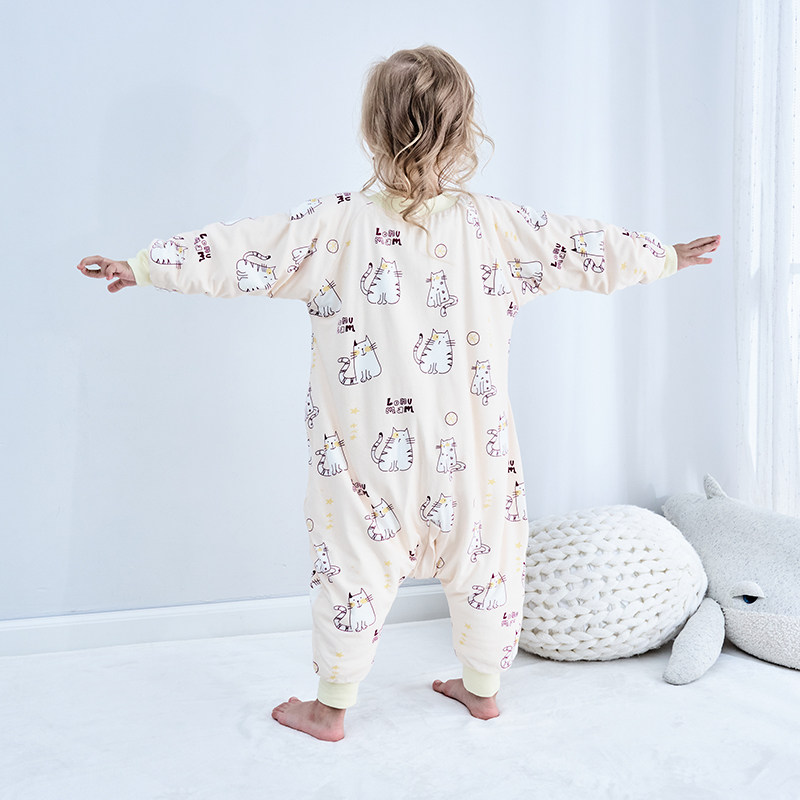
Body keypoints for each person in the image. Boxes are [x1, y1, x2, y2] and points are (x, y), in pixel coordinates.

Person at [76, 45, 720, 742]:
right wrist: (665, 256)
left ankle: (331, 708)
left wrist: (145, 265)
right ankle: (483, 690)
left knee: (350, 573)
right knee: (488, 568)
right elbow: (578, 246)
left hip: (363, 465)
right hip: (473, 460)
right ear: (465, 132)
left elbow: (242, 251)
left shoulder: (333, 225)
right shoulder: (496, 227)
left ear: (371, 127)